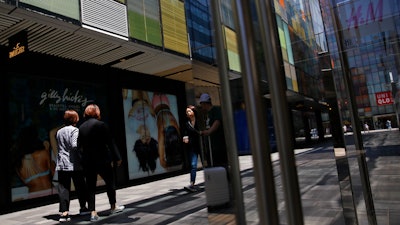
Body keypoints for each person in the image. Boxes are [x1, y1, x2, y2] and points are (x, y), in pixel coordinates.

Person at [78, 104, 125, 222]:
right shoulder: (101, 125)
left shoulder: (81, 127)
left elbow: (78, 147)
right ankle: (113, 206)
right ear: (96, 113)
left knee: (91, 187)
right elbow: (110, 142)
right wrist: (117, 157)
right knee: (110, 182)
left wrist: (82, 160)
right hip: (102, 159)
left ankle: (93, 212)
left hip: (88, 161)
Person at [55, 110, 89, 222]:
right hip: (74, 163)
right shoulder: (75, 130)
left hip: (62, 164)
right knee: (80, 186)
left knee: (63, 188)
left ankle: (64, 213)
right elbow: (75, 145)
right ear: (75, 119)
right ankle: (83, 208)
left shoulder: (59, 131)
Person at [199, 93, 228, 168]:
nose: (201, 106)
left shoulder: (215, 110)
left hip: (218, 144)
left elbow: (217, 121)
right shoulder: (207, 114)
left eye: (202, 104)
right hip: (211, 145)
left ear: (205, 103)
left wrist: (209, 131)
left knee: (220, 164)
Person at [182, 105, 202, 192]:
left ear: (194, 111)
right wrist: (185, 137)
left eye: (189, 111)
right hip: (193, 147)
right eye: (187, 112)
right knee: (193, 165)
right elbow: (185, 133)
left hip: (202, 145)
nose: (188, 113)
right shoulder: (187, 124)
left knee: (207, 163)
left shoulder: (200, 121)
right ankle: (192, 184)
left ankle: (211, 178)